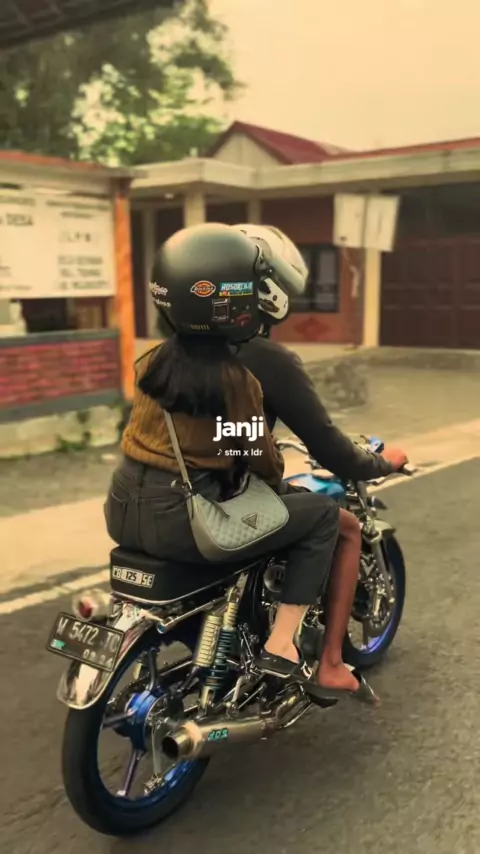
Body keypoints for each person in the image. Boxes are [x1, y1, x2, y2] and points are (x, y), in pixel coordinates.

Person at [104, 223, 395, 706]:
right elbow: (257, 457)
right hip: (185, 517)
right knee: (324, 516)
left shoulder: (152, 361)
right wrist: (279, 463)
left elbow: (174, 436)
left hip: (123, 505)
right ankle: (285, 645)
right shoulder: (242, 374)